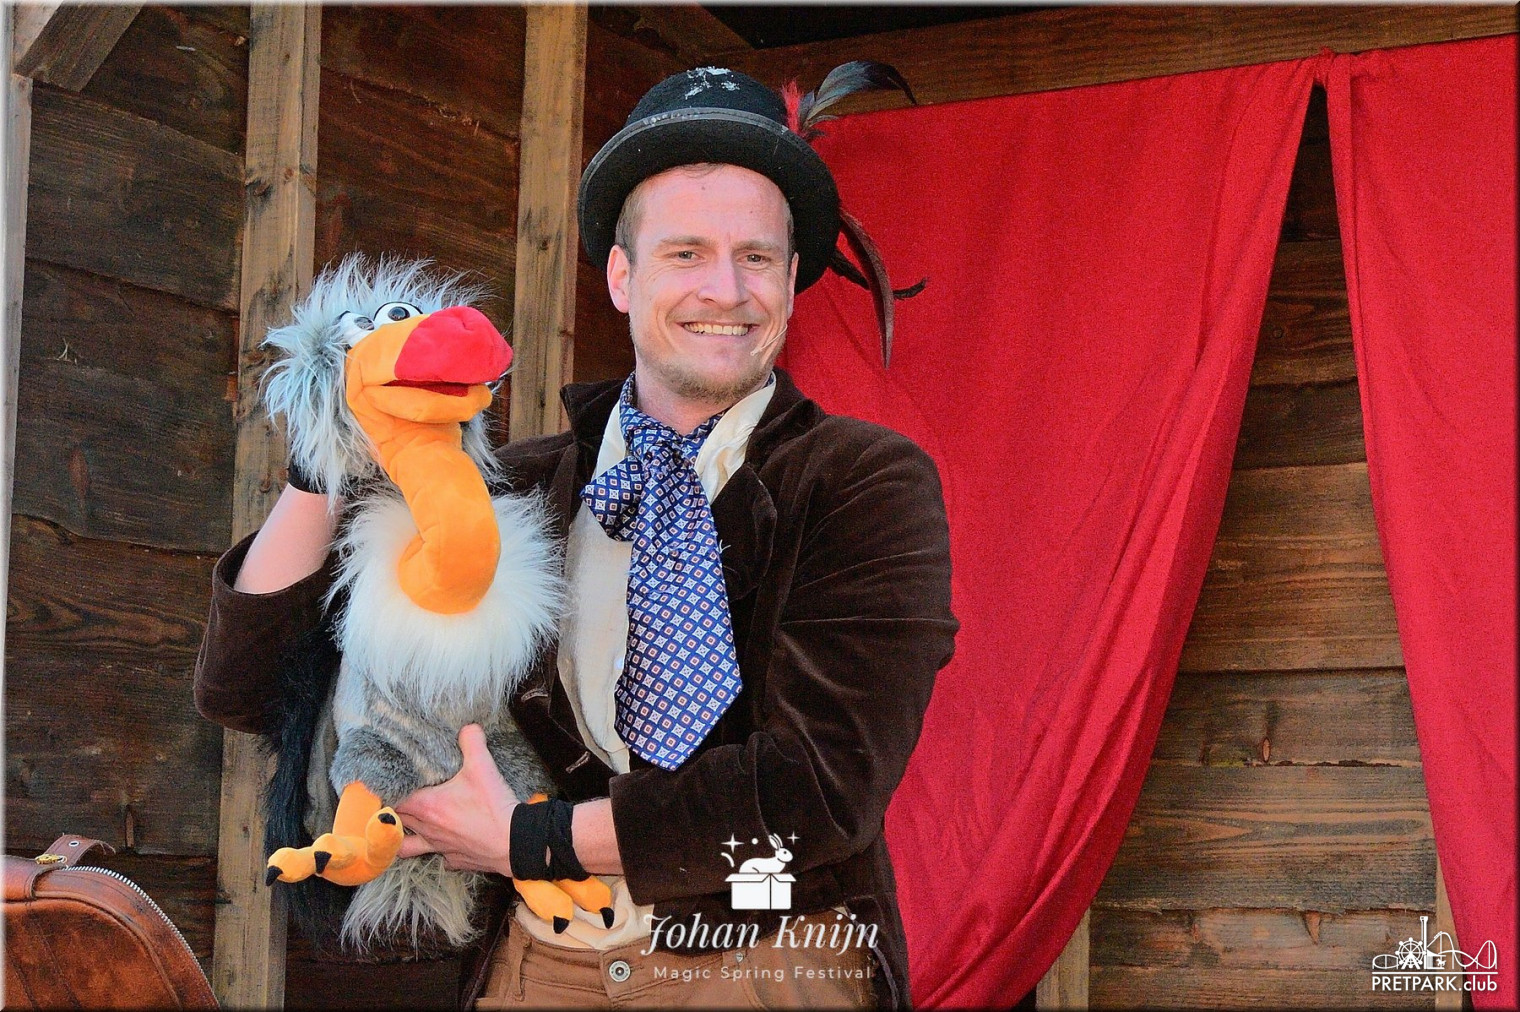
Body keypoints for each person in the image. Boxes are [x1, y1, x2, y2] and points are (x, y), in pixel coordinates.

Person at [195, 66, 957, 1009]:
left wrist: (531, 840)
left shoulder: (865, 480)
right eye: (686, 252)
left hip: (767, 955)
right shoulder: (512, 491)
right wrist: (326, 454)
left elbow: (820, 791)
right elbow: (253, 688)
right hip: (539, 960)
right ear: (622, 278)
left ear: (793, 281)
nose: (727, 289)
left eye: (757, 257)